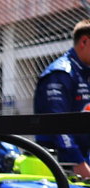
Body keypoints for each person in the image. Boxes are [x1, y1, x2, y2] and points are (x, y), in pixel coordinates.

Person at [32, 18, 90, 179]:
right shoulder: (60, 73)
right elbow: (58, 124)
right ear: (84, 41)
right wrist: (78, 163)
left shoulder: (84, 74)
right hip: (58, 166)